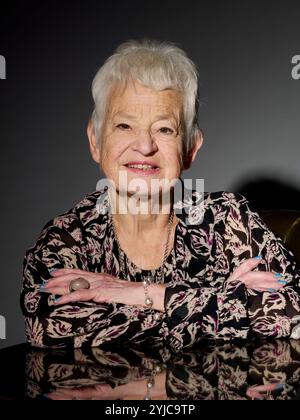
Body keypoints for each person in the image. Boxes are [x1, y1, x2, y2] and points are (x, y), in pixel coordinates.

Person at [21, 39, 300, 351]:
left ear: (190, 148)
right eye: (124, 125)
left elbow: (292, 309)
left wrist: (140, 293)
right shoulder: (67, 239)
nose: (145, 146)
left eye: (165, 129)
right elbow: (48, 329)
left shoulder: (228, 219)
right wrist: (222, 301)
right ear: (95, 141)